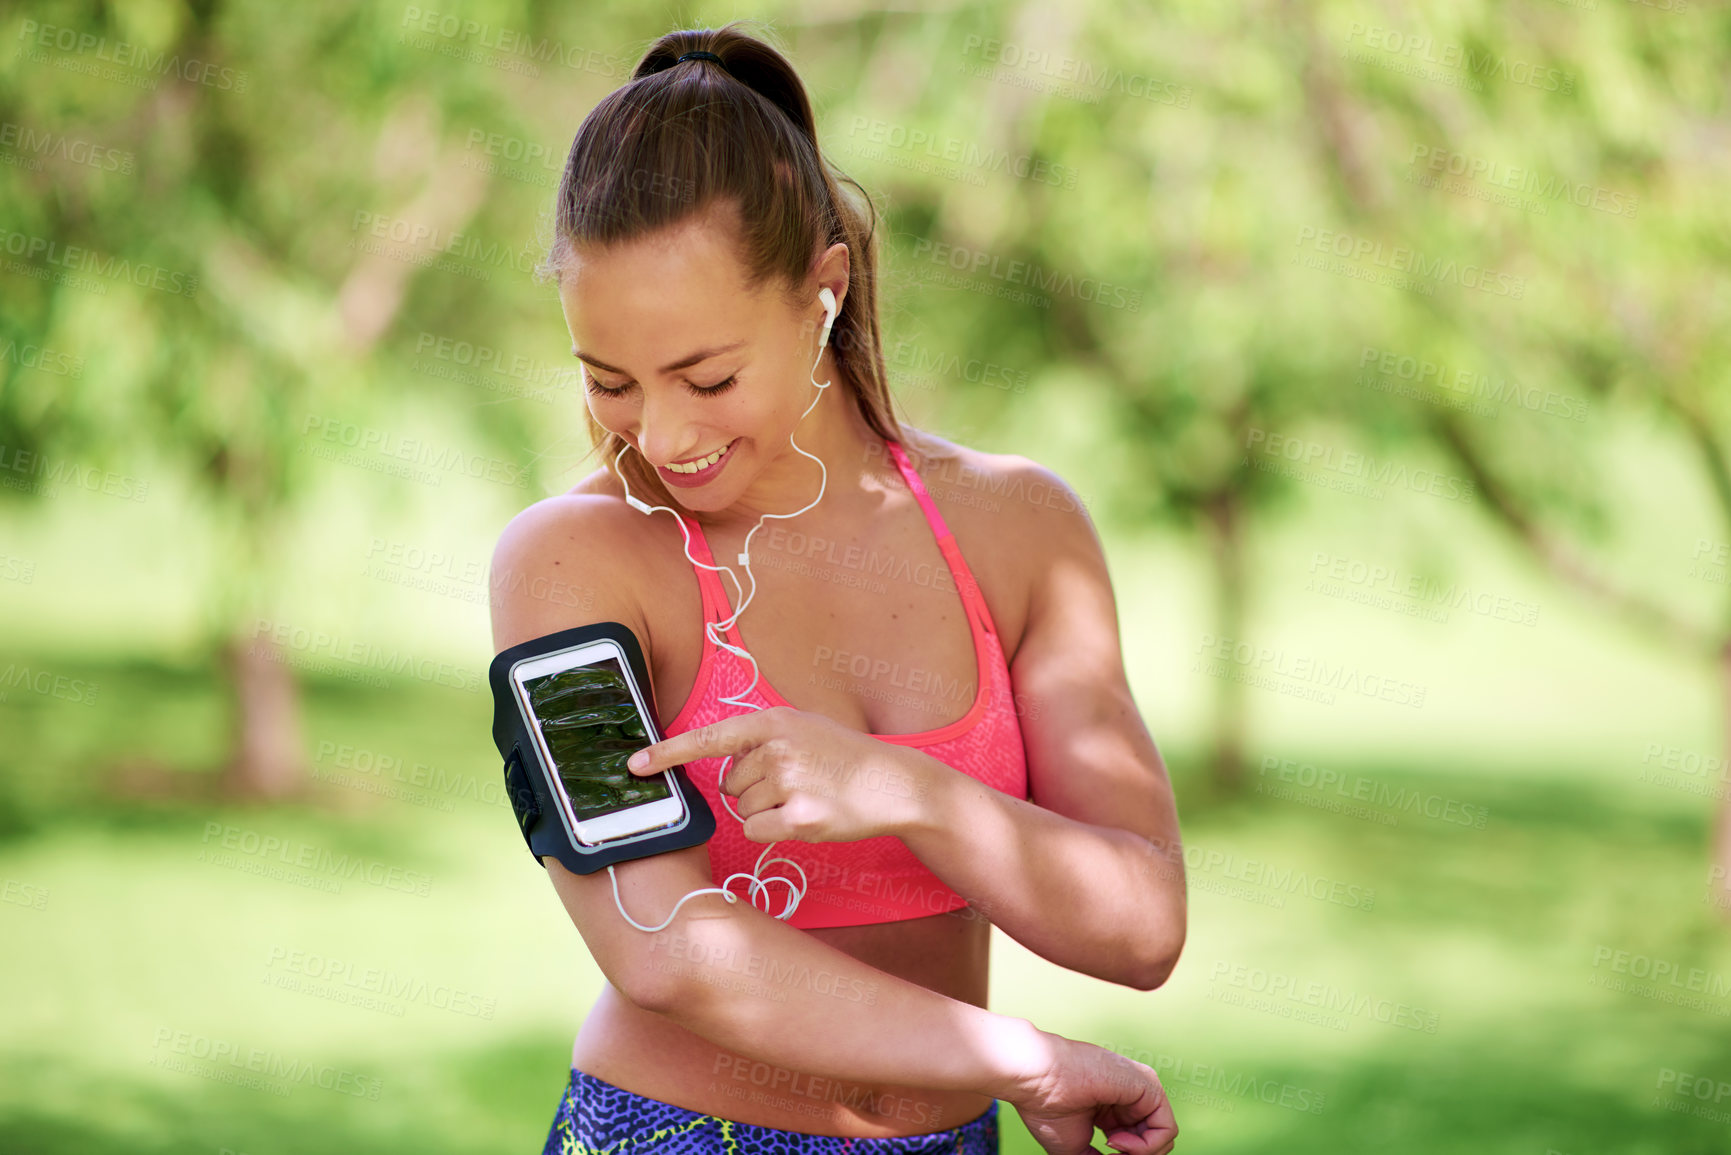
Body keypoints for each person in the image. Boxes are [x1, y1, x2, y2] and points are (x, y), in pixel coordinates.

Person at [489, 23, 1187, 1155]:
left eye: (706, 376)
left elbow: (1144, 927)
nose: (662, 436)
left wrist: (909, 791)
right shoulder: (566, 566)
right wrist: (1022, 1058)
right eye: (611, 381)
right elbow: (662, 943)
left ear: (826, 289)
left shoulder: (1020, 530)